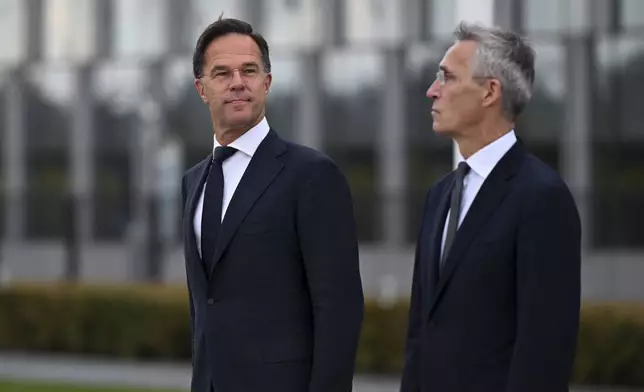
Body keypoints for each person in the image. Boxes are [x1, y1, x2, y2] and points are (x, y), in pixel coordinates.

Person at [181, 17, 364, 392]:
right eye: (222, 73)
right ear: (202, 88)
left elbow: (339, 310)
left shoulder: (312, 175)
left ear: (267, 82)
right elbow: (205, 304)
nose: (237, 82)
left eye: (249, 70)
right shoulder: (193, 182)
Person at [400, 21, 581, 392]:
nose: (432, 90)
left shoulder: (541, 197)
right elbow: (421, 331)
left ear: (489, 92)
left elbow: (544, 351)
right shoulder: (439, 195)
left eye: (447, 78)